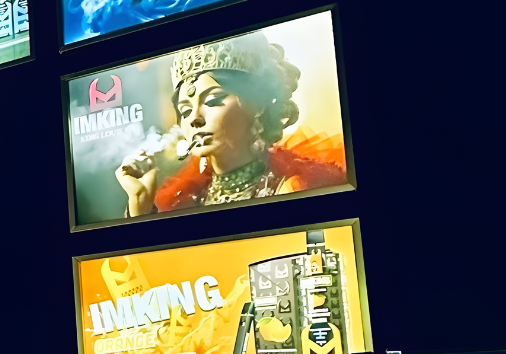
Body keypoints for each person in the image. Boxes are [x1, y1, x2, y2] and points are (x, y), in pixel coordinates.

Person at [115, 31, 346, 217]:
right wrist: (140, 205)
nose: (194, 117)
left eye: (213, 99)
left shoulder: (296, 188)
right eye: (185, 109)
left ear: (258, 104)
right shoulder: (181, 200)